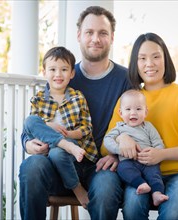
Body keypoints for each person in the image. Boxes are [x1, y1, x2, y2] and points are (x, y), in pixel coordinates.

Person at [19, 6, 132, 220]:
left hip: (99, 165)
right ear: (79, 35)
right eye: (89, 32)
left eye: (103, 33)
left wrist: (118, 154)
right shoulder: (63, 74)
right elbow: (35, 121)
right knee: (31, 167)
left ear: (112, 38)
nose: (95, 39)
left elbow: (137, 122)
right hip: (56, 163)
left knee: (107, 187)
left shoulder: (125, 79)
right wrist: (27, 143)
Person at [106, 32, 178, 219]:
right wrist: (122, 137)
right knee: (132, 208)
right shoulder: (129, 99)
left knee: (170, 213)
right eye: (142, 58)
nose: (149, 64)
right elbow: (107, 145)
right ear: (135, 64)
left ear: (165, 60)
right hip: (142, 176)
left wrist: (161, 154)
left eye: (156, 57)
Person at [23, 46, 98, 208]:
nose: (58, 74)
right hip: (48, 147)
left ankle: (77, 188)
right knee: (30, 120)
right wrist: (48, 126)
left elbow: (86, 128)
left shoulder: (77, 97)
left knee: (58, 152)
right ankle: (64, 145)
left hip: (72, 149)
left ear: (72, 73)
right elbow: (32, 129)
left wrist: (69, 135)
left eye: (64, 69)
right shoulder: (38, 99)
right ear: (44, 72)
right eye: (52, 69)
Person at [104, 89, 169, 207]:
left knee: (155, 174)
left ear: (146, 112)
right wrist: (119, 150)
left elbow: (157, 142)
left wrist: (156, 153)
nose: (133, 113)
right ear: (121, 113)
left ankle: (157, 193)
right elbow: (107, 140)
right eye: (128, 109)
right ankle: (141, 184)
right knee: (123, 169)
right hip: (128, 161)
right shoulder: (119, 128)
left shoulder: (148, 127)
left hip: (147, 161)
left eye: (138, 109)